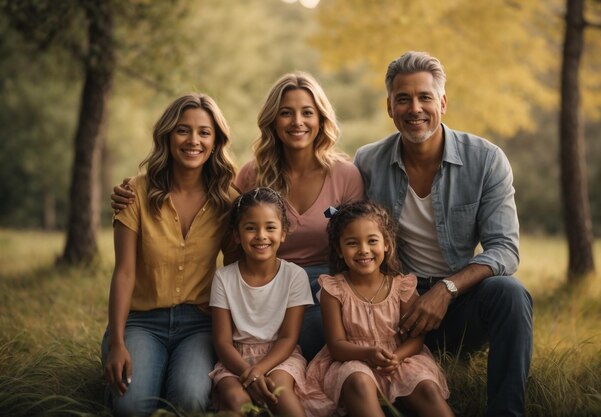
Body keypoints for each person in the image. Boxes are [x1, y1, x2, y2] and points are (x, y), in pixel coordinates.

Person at [110, 71, 364, 361]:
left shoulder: (345, 175)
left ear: (321, 119)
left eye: (307, 112)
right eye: (286, 113)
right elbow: (233, 247)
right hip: (265, 290)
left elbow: (358, 247)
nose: (297, 122)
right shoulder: (253, 175)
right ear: (272, 120)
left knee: (318, 333)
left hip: (326, 292)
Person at [353, 51, 533, 417]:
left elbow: (505, 249)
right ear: (390, 107)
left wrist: (446, 289)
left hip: (458, 300)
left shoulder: (486, 159)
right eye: (403, 98)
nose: (414, 108)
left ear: (443, 103)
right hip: (395, 307)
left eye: (425, 97)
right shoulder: (368, 162)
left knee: (511, 294)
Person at [102, 93, 239, 417]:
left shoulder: (227, 200)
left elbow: (236, 269)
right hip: (142, 322)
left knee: (190, 401)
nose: (194, 140)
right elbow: (124, 273)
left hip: (199, 324)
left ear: (216, 140)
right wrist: (117, 343)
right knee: (131, 407)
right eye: (183, 130)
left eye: (204, 132)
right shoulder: (135, 193)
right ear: (167, 135)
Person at [301, 201, 453, 417]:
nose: (363, 250)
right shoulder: (333, 289)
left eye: (372, 241)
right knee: (358, 381)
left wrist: (396, 357)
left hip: (399, 358)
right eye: (352, 243)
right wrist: (368, 353)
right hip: (352, 359)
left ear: (387, 244)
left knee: (427, 387)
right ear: (339, 249)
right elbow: (336, 346)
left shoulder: (402, 286)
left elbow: (416, 338)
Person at [209, 187, 312, 417]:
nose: (261, 236)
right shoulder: (223, 278)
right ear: (236, 235)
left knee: (280, 393)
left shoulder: (294, 276)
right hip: (234, 360)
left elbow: (288, 338)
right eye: (250, 228)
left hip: (280, 356)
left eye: (270, 227)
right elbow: (223, 342)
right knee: (236, 401)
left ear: (283, 233)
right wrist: (248, 372)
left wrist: (259, 371)